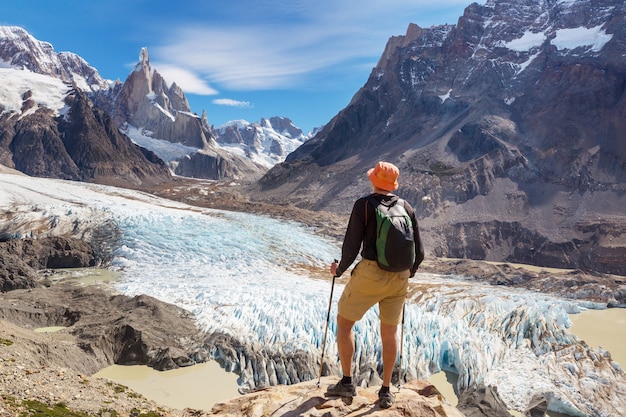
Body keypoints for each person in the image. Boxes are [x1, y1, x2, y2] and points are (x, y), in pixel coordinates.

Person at [325, 161, 424, 409]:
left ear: (374, 180)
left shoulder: (364, 205)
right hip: (400, 277)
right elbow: (420, 252)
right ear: (393, 184)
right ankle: (386, 391)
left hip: (371, 273)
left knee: (345, 321)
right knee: (389, 333)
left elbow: (351, 245)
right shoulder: (407, 207)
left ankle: (347, 382)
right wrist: (405, 275)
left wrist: (340, 270)